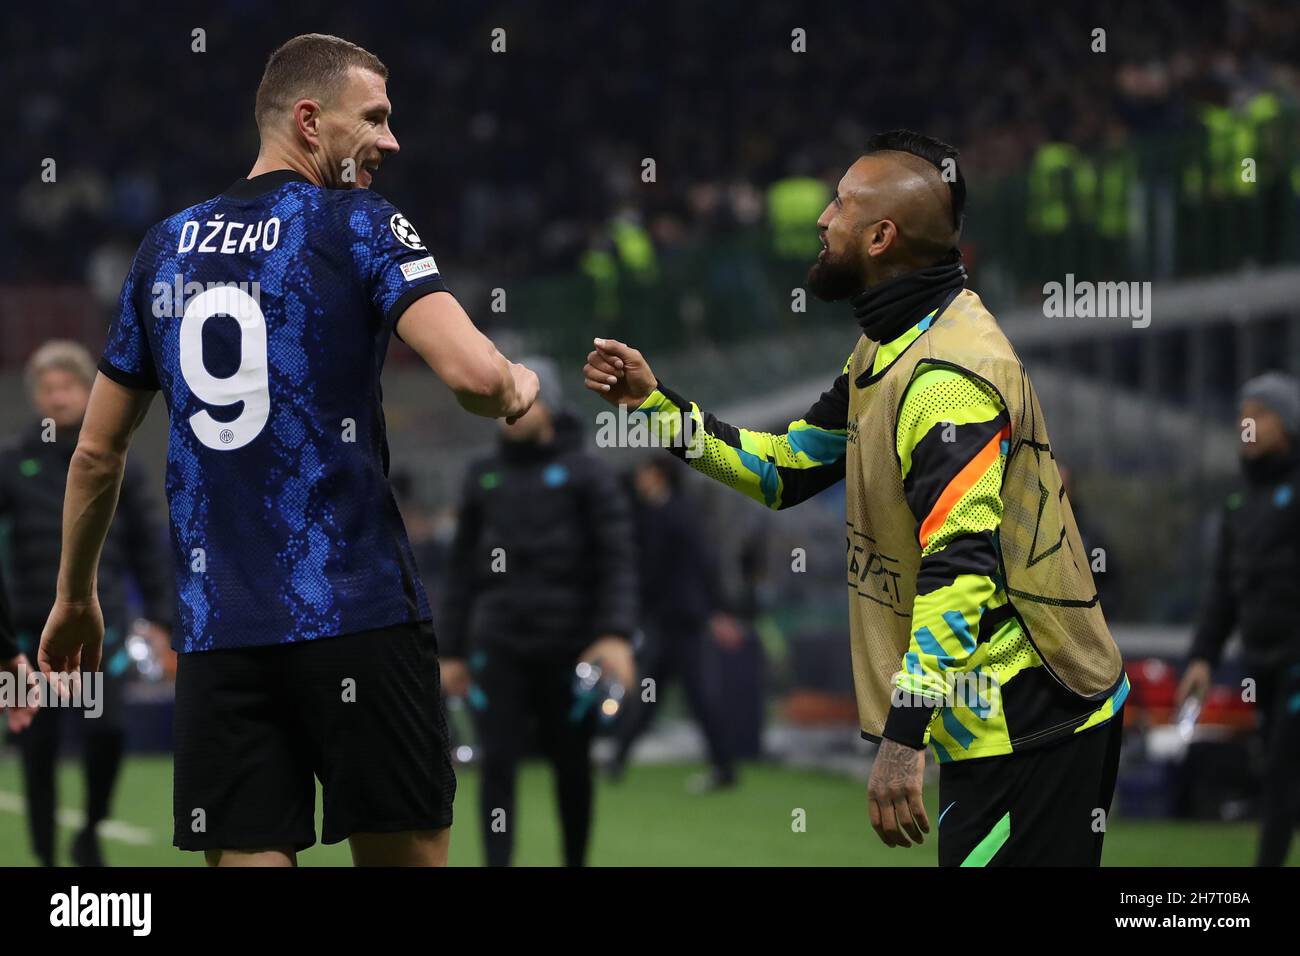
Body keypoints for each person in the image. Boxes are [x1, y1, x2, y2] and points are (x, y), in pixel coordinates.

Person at [38, 33, 538, 868]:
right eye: (373, 118)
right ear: (310, 121)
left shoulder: (165, 247)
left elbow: (95, 453)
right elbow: (474, 379)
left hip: (220, 633)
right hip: (357, 612)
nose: (391, 140)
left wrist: (76, 594)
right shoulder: (360, 224)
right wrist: (520, 383)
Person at [584, 130, 1129, 866]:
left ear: (880, 235)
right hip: (989, 721)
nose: (820, 217)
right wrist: (655, 405)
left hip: (1035, 716)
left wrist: (903, 740)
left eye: (840, 202)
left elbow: (960, 566)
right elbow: (784, 471)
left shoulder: (946, 378)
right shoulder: (887, 345)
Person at [438, 357, 636, 866]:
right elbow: (460, 572)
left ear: (548, 402)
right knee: (496, 766)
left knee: (573, 767)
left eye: (525, 398)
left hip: (570, 646)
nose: (515, 410)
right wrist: (452, 653)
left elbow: (616, 558)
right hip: (498, 645)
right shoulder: (481, 476)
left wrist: (614, 633)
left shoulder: (588, 474)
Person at [0, 341, 173, 867]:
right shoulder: (11, 462)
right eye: (47, 388)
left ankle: (92, 826)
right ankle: (46, 858)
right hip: (27, 638)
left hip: (101, 631)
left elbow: (149, 542)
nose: (58, 398)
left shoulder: (116, 457)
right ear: (35, 396)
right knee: (35, 750)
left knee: (108, 732)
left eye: (67, 386)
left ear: (87, 389)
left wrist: (163, 620)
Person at [1178, 371, 1300, 867]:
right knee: (1279, 774)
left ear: (1288, 423)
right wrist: (1202, 657)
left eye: (1261, 413)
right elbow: (1223, 593)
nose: (1247, 424)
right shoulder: (1238, 503)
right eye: (1243, 414)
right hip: (1261, 662)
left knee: (1282, 775)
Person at [609, 457, 739, 792]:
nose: (639, 479)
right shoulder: (659, 512)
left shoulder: (675, 513)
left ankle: (724, 767)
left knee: (692, 695)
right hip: (669, 621)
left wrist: (717, 609)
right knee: (657, 694)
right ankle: (617, 759)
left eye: (644, 472)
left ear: (657, 476)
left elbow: (701, 563)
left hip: (683, 620)